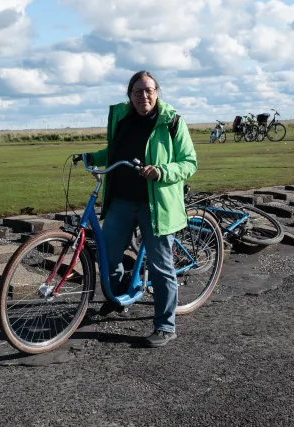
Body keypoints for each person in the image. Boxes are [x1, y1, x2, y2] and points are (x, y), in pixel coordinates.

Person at [86, 70, 197, 347]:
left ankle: (165, 326)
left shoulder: (171, 122)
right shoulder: (122, 119)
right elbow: (115, 152)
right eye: (137, 91)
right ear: (129, 95)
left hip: (156, 205)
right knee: (108, 256)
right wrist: (91, 157)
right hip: (121, 201)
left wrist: (161, 171)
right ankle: (121, 295)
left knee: (160, 267)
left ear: (157, 92)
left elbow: (189, 162)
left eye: (148, 90)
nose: (143, 96)